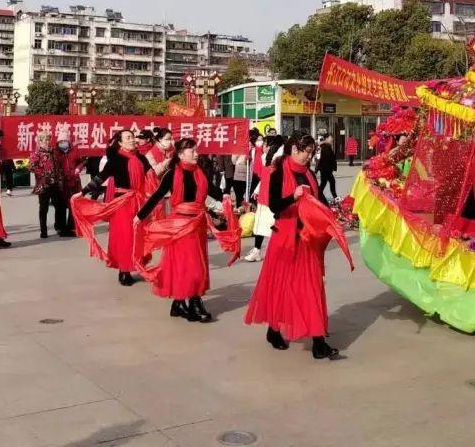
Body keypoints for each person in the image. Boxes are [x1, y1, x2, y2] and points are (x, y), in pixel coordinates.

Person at [244, 134, 353, 360]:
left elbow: (320, 200)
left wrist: (336, 215)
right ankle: (273, 330)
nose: (309, 157)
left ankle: (318, 341)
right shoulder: (278, 172)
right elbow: (274, 205)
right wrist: (293, 196)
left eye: (312, 153)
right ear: (294, 148)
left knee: (312, 288)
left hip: (307, 240)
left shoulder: (309, 175)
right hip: (285, 240)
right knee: (282, 288)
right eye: (307, 152)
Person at [135, 137, 234, 323]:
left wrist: (226, 198)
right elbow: (157, 195)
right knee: (187, 266)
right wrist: (140, 216)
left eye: (196, 151)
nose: (196, 154)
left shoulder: (200, 173)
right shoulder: (172, 174)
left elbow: (213, 190)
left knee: (195, 265)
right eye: (192, 151)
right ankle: (194, 301)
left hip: (197, 225)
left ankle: (180, 302)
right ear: (181, 154)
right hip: (179, 226)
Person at [72, 130, 152, 286]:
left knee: (138, 235)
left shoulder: (141, 158)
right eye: (128, 138)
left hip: (138, 202)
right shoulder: (116, 159)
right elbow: (100, 177)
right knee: (124, 236)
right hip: (121, 202)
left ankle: (136, 264)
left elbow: (152, 175)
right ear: (120, 143)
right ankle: (124, 270)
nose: (132, 140)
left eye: (132, 137)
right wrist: (82, 192)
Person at [243, 134, 284, 262]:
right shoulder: (267, 158)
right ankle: (257, 250)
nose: (263, 146)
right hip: (263, 197)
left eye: (265, 143)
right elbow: (264, 178)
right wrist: (257, 190)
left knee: (273, 227)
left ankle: (276, 251)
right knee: (260, 226)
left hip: (271, 200)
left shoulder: (278, 160)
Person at [28, 131, 65, 239]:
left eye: (49, 139)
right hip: (43, 184)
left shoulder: (53, 151)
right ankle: (43, 231)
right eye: (45, 140)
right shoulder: (36, 153)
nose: (48, 142)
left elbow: (57, 166)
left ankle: (59, 227)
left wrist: (60, 179)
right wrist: (44, 174)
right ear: (40, 141)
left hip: (55, 183)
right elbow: (31, 167)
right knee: (43, 208)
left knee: (59, 206)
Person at [55, 136, 82, 236]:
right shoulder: (56, 153)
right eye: (60, 141)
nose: (62, 143)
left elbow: (82, 162)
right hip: (61, 183)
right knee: (61, 206)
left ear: (68, 141)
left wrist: (78, 168)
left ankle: (71, 227)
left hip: (74, 182)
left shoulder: (74, 151)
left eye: (64, 141)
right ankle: (61, 228)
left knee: (73, 204)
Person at [316, 133, 338, 203]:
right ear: (326, 138)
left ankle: (318, 196)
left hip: (327, 169)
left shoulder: (327, 146)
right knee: (326, 183)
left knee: (327, 182)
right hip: (325, 169)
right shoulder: (324, 146)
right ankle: (318, 196)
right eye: (331, 138)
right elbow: (320, 159)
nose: (332, 139)